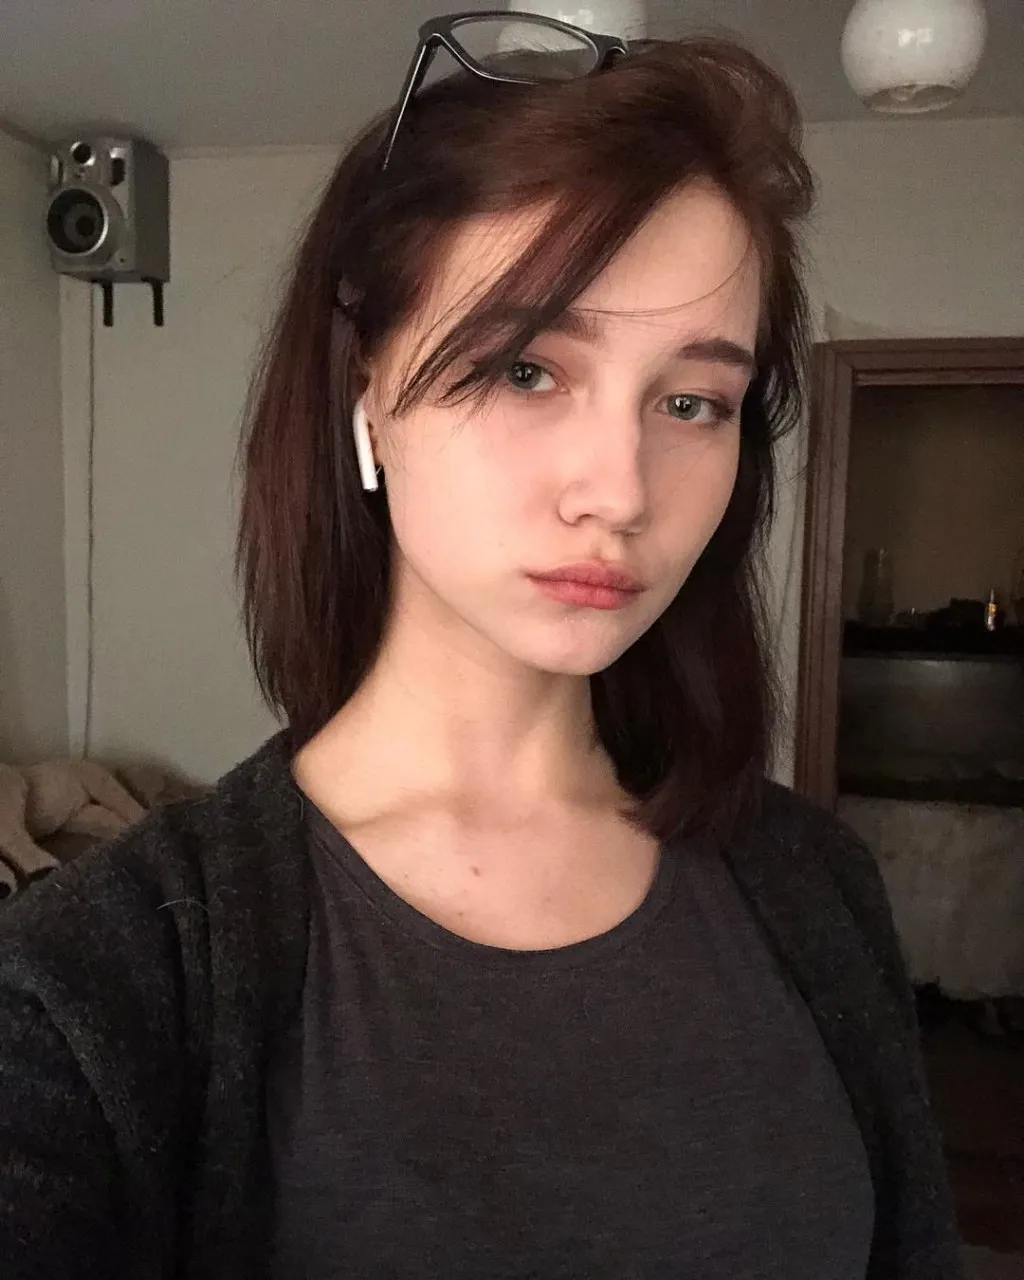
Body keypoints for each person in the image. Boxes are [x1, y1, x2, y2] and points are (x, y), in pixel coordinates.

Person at [0, 14, 962, 1280]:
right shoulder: (97, 982)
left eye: (691, 401)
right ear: (365, 389)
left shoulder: (816, 884)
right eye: (524, 370)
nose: (619, 489)